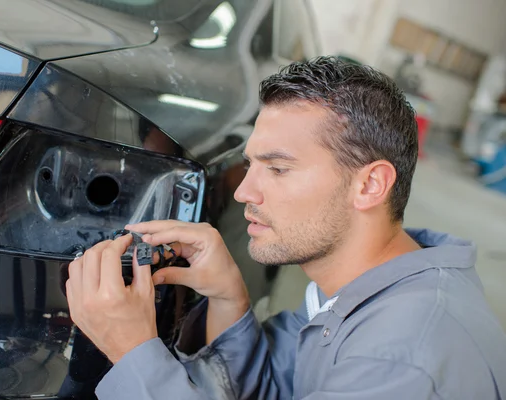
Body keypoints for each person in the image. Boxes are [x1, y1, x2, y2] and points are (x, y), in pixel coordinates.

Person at [65, 57, 506, 399]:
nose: (244, 193)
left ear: (370, 184)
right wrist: (229, 299)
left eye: (277, 169)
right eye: (250, 165)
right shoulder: (359, 286)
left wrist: (132, 352)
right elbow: (278, 389)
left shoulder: (401, 363)